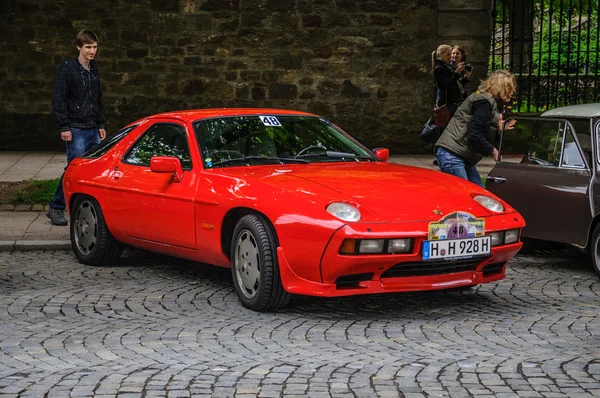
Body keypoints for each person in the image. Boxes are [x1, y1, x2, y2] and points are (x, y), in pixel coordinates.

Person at [48, 29, 106, 226]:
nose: (92, 51)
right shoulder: (66, 69)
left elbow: (98, 98)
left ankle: (87, 206)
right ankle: (56, 207)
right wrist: (64, 127)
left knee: (92, 170)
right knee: (74, 170)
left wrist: (101, 123)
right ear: (79, 47)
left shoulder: (94, 68)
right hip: (76, 128)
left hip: (92, 127)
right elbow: (59, 100)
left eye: (95, 47)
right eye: (88, 47)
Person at [434, 70, 517, 188]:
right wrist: (494, 151)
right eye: (508, 88)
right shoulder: (482, 102)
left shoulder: (488, 101)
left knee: (479, 193)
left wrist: (499, 130)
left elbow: (483, 131)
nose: (511, 92)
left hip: (461, 155)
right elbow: (475, 135)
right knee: (465, 196)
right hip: (453, 153)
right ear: (500, 87)